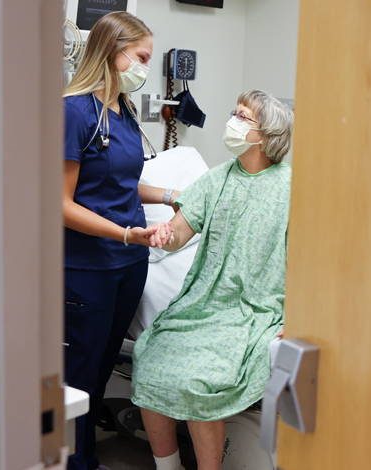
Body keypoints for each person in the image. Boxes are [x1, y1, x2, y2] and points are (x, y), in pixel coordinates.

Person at [131, 90, 293, 470]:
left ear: (267, 133)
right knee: (149, 359)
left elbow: (308, 261)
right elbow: (178, 234)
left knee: (200, 380)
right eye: (234, 113)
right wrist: (160, 236)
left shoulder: (292, 189)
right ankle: (167, 466)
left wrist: (295, 315)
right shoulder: (216, 179)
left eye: (243, 117)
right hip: (203, 304)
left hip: (254, 308)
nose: (232, 122)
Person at [61, 12, 178, 470]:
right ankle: (71, 463)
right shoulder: (73, 111)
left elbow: (124, 181)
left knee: (104, 366)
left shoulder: (122, 110)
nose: (145, 66)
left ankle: (85, 457)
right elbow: (61, 203)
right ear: (114, 51)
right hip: (88, 266)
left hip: (130, 263)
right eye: (142, 56)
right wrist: (126, 232)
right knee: (79, 374)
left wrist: (171, 195)